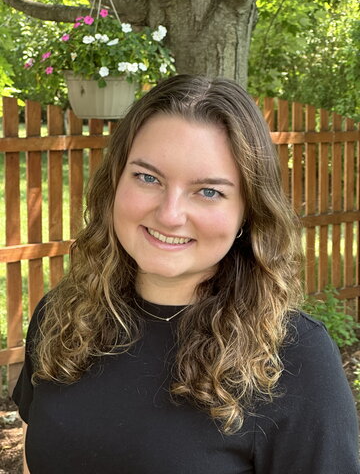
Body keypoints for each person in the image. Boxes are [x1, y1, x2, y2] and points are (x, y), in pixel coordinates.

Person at [13, 75, 359, 474]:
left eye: (209, 191)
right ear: (114, 182)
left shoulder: (294, 358)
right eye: (148, 178)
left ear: (249, 211)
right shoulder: (63, 316)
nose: (169, 214)